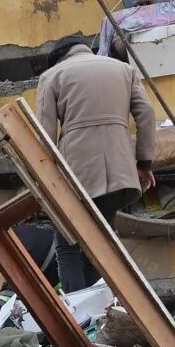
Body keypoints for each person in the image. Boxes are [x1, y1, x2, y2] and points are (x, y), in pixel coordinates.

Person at [34, 39, 157, 292]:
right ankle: (98, 309)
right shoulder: (123, 69)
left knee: (68, 244)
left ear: (58, 58)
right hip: (121, 170)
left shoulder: (51, 76)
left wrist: (46, 179)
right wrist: (144, 163)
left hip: (76, 173)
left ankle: (79, 315)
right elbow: (147, 113)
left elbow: (44, 136)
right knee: (102, 242)